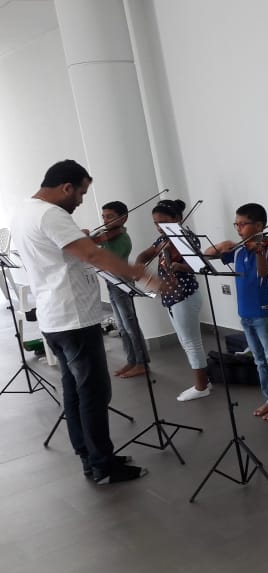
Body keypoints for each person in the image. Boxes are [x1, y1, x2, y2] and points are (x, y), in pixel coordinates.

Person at [11, 160, 154, 484]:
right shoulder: (52, 214)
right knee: (93, 394)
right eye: (81, 193)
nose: (80, 201)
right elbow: (92, 255)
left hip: (54, 318)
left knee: (74, 392)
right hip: (74, 319)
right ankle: (103, 465)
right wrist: (141, 274)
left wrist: (81, 237)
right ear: (66, 187)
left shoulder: (26, 211)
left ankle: (89, 456)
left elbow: (61, 250)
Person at [208, 204, 268, 420]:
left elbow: (263, 273)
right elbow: (207, 255)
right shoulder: (238, 250)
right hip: (245, 313)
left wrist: (259, 251)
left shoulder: (266, 249)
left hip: (264, 313)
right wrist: (222, 245)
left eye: (243, 224)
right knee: (259, 360)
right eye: (236, 224)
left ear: (259, 226)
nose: (238, 229)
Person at [135, 199, 211, 403]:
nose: (159, 227)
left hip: (185, 295)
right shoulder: (163, 240)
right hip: (170, 296)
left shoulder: (188, 239)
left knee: (191, 342)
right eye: (156, 223)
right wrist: (139, 263)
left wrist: (180, 267)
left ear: (178, 218)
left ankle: (202, 387)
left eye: (163, 222)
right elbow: (146, 254)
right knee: (186, 341)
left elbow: (198, 266)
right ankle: (204, 380)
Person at [90, 201, 149, 378]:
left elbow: (110, 259)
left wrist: (94, 243)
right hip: (112, 283)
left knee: (130, 326)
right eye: (103, 217)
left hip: (122, 283)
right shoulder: (106, 236)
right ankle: (131, 360)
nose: (105, 221)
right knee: (122, 327)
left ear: (123, 218)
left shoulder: (122, 238)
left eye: (110, 217)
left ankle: (142, 363)